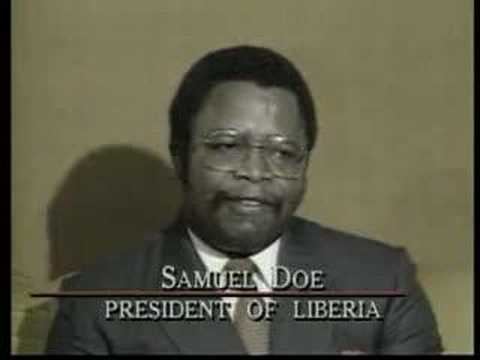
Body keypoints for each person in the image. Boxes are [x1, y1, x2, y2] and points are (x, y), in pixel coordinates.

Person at [45, 45, 443, 354]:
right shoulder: (97, 301)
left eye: (283, 153)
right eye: (226, 146)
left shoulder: (383, 283)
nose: (255, 171)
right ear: (180, 156)